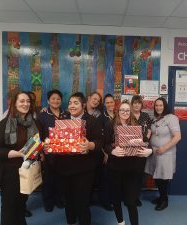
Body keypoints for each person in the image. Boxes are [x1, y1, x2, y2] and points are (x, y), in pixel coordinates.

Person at [0, 91, 42, 225]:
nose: (26, 104)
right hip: (9, 174)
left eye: (28, 101)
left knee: (21, 205)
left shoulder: (35, 123)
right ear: (15, 103)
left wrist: (41, 149)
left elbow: (38, 143)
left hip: (27, 171)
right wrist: (18, 153)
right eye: (22, 101)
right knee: (9, 207)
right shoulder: (5, 124)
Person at [53, 92, 103, 225]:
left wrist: (89, 145)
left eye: (75, 103)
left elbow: (100, 142)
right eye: (70, 103)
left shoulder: (92, 121)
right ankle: (70, 221)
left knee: (82, 201)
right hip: (64, 168)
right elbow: (57, 141)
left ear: (83, 105)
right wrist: (50, 143)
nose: (72, 106)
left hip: (84, 170)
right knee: (68, 200)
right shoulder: (62, 120)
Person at [105, 100, 152, 225]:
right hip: (115, 167)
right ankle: (120, 221)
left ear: (130, 112)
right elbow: (105, 144)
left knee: (131, 201)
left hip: (131, 168)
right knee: (116, 198)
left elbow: (146, 140)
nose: (125, 112)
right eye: (122, 110)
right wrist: (112, 151)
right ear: (118, 111)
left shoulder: (136, 125)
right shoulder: (110, 125)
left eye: (127, 110)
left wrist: (149, 151)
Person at [145, 97, 181, 211]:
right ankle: (161, 196)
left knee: (163, 178)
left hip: (165, 153)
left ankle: (164, 200)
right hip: (154, 152)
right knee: (156, 176)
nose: (158, 107)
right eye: (156, 105)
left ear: (165, 106)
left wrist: (164, 148)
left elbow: (178, 137)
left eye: (161, 105)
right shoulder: (154, 118)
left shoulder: (172, 118)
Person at [37, 89, 69, 212]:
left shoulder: (66, 114)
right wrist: (41, 152)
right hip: (48, 153)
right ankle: (48, 201)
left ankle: (58, 199)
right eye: (53, 99)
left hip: (63, 153)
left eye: (58, 99)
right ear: (48, 101)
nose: (56, 101)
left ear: (61, 101)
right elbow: (38, 135)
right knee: (48, 179)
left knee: (61, 178)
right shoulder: (42, 115)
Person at [131, 95, 152, 207]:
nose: (136, 105)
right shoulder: (128, 115)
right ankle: (128, 197)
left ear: (141, 105)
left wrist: (146, 141)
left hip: (142, 148)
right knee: (130, 174)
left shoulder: (145, 115)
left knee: (139, 174)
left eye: (138, 103)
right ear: (132, 104)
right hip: (129, 149)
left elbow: (148, 130)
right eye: (134, 103)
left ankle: (136, 197)